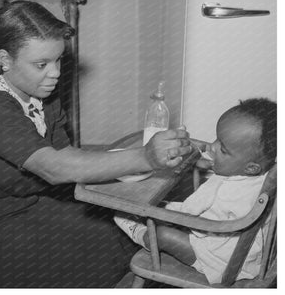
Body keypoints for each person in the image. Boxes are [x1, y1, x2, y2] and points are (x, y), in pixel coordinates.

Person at [0, 0, 192, 288]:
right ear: (4, 60)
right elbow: (54, 168)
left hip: (27, 204)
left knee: (115, 234)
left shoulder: (40, 93)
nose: (55, 72)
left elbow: (64, 152)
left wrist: (126, 166)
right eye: (42, 64)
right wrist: (146, 157)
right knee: (93, 257)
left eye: (58, 60)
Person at [114, 98, 277, 284]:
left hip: (221, 261)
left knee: (163, 234)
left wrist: (162, 211)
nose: (212, 147)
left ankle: (140, 233)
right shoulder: (260, 174)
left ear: (251, 168)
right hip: (241, 250)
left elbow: (192, 210)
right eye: (217, 139)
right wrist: (208, 162)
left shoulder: (232, 195)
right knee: (167, 212)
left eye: (222, 149)